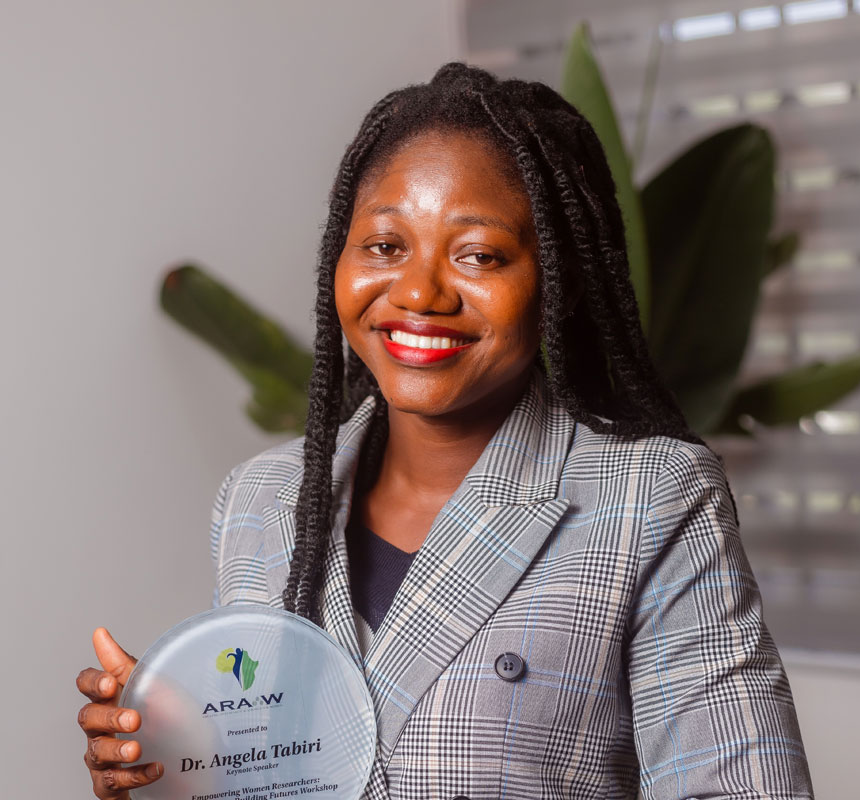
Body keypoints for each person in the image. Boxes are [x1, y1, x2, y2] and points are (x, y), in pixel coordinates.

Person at [76, 63, 814, 799]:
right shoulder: (259, 500)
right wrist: (168, 758)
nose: (421, 293)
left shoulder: (650, 499)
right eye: (385, 247)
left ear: (557, 279)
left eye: (479, 255)